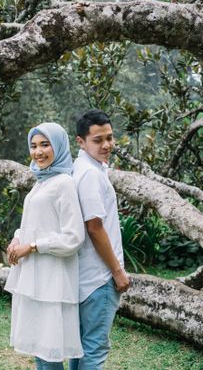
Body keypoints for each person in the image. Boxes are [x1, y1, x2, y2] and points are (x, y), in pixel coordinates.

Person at [4, 122, 85, 370]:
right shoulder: (41, 181)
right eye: (34, 146)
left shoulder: (64, 183)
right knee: (38, 349)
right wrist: (17, 238)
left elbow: (73, 237)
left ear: (58, 146)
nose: (38, 152)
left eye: (45, 145)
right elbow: (35, 222)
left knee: (49, 351)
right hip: (33, 277)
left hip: (52, 281)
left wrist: (32, 246)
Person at [69, 109, 130, 370]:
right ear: (80, 141)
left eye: (110, 138)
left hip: (84, 276)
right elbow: (94, 227)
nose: (106, 145)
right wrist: (117, 271)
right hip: (99, 277)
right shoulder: (90, 175)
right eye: (98, 140)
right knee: (94, 350)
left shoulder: (84, 168)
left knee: (81, 349)